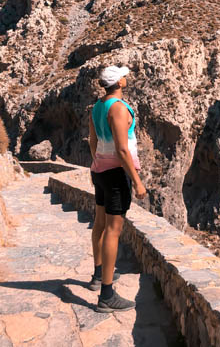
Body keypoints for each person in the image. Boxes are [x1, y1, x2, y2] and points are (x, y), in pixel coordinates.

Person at [88, 64, 147, 312]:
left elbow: (92, 141)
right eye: (124, 75)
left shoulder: (97, 107)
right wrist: (137, 182)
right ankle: (107, 295)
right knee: (113, 230)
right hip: (115, 175)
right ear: (119, 83)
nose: (127, 77)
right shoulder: (119, 109)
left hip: (100, 170)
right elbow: (123, 150)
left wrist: (98, 162)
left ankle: (98, 274)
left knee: (100, 224)